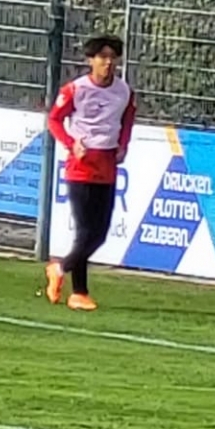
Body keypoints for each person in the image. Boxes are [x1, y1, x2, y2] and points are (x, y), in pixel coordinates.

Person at [44, 34, 136, 311]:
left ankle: (60, 269)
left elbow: (127, 120)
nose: (108, 63)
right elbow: (54, 119)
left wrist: (123, 145)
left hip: (107, 163)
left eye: (112, 58)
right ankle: (79, 292)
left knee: (100, 233)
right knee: (85, 231)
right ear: (91, 60)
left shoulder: (124, 91)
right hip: (81, 165)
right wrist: (71, 143)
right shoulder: (76, 89)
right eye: (102, 57)